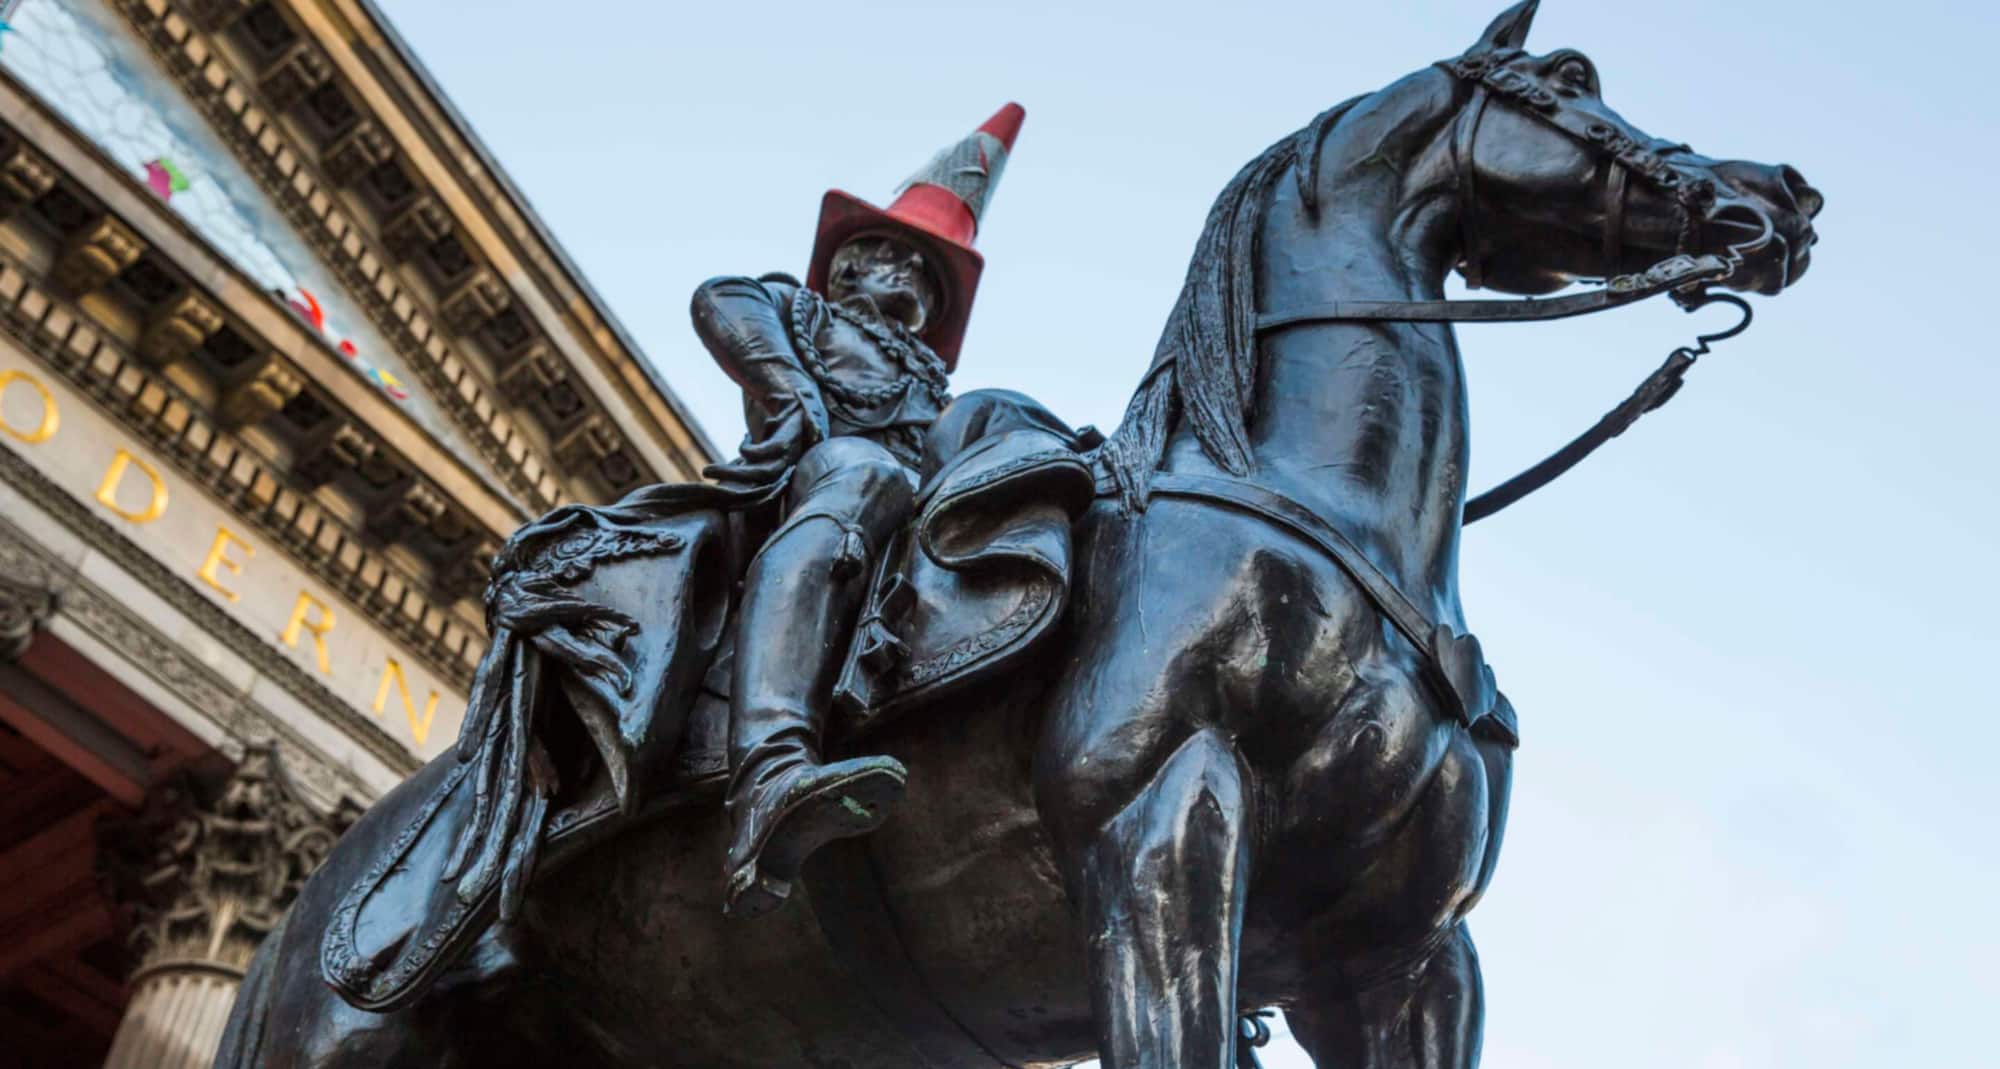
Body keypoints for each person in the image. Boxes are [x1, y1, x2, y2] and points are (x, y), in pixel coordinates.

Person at [691, 103, 1035, 917]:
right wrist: (792, 391)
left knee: (1005, 419)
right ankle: (770, 772)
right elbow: (721, 298)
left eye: (932, 278)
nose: (919, 284)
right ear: (853, 264)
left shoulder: (935, 388)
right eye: (907, 264)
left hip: (904, 529)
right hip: (807, 499)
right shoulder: (800, 311)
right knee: (864, 470)